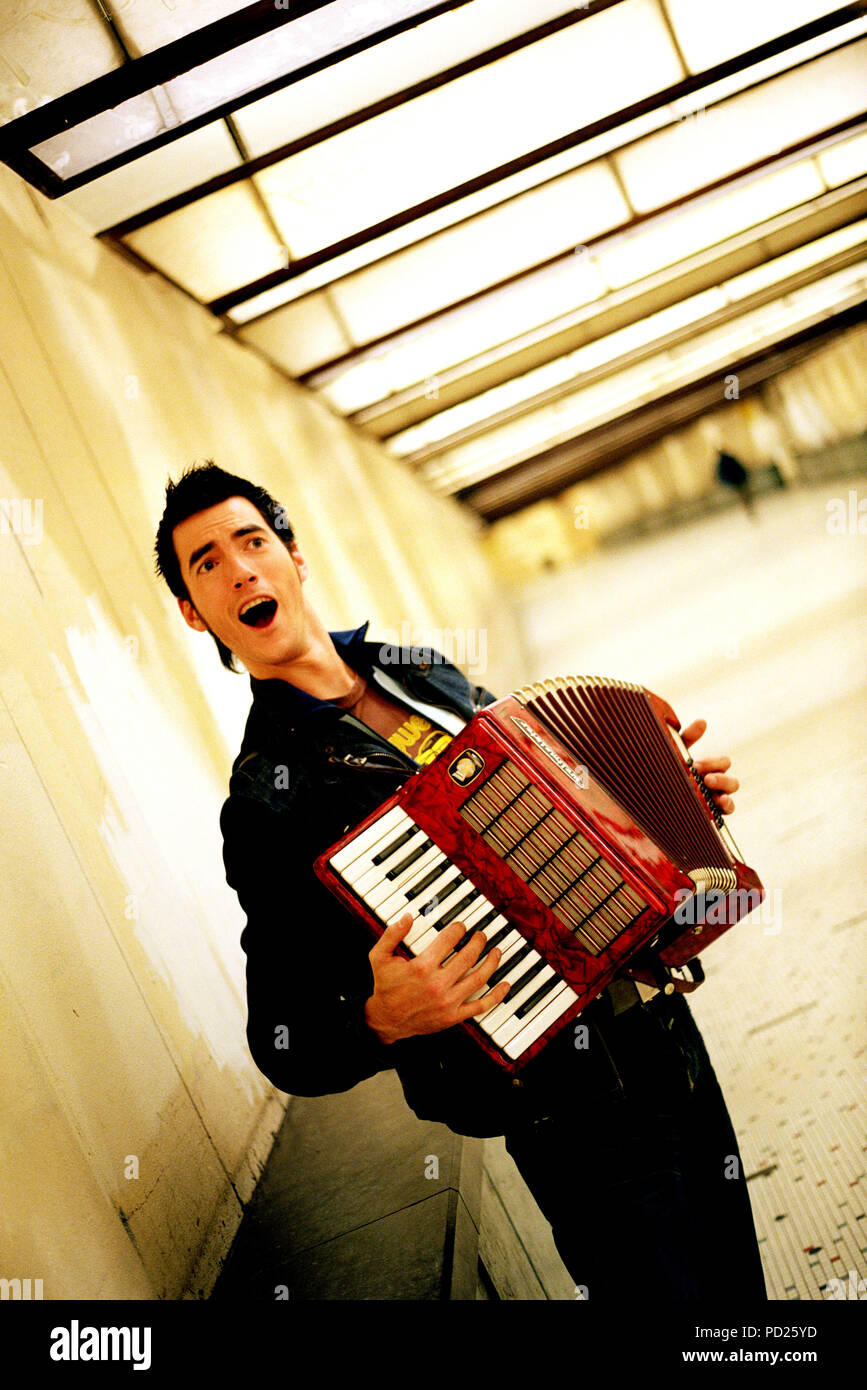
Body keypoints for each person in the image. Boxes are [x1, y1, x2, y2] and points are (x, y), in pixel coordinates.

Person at [154, 462, 767, 1301]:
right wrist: (378, 1019)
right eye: (207, 564)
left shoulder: (416, 668)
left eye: (251, 541)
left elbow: (559, 792)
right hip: (567, 1107)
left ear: (295, 556)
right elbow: (284, 1040)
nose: (239, 570)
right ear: (195, 614)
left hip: (659, 1029)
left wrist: (670, 798)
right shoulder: (268, 802)